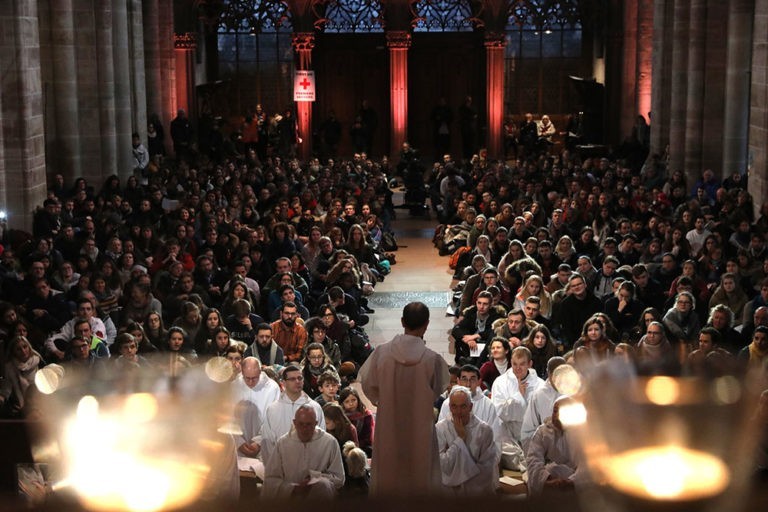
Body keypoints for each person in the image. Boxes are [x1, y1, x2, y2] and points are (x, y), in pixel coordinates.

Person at [359, 301, 450, 496]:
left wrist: (384, 399)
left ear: (402, 321)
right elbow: (437, 389)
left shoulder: (381, 353)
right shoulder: (432, 359)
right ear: (427, 324)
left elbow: (368, 385)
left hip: (389, 426)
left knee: (389, 478)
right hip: (420, 428)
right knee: (421, 478)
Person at [262, 405, 345, 499]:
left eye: (309, 424)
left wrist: (314, 477)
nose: (304, 429)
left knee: (323, 484)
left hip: (319, 500)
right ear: (294, 423)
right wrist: (292, 489)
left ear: (316, 423)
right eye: (301, 424)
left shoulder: (329, 442)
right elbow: (270, 480)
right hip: (290, 500)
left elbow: (339, 479)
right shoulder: (283, 443)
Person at [435, 386, 499, 495]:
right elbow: (442, 465)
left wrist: (460, 483)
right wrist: (460, 439)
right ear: (450, 407)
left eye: (463, 406)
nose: (458, 412)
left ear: (470, 407)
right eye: (454, 406)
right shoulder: (440, 429)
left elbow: (486, 469)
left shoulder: (484, 430)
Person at [261, 364, 326, 464]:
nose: (297, 381)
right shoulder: (273, 409)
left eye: (300, 378)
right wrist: (274, 467)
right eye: (292, 379)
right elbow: (267, 442)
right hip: (279, 465)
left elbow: (321, 440)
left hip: (308, 465)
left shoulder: (315, 407)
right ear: (283, 382)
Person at [491, 346, 544, 468]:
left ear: (530, 364)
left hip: (532, 434)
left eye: (522, 364)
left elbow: (541, 415)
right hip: (508, 433)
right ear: (510, 362)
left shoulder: (540, 385)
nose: (518, 368)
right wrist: (518, 396)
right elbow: (498, 412)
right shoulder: (500, 382)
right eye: (515, 364)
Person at [525, 396, 580, 495]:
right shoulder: (542, 432)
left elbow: (587, 465)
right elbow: (533, 459)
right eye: (555, 411)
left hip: (573, 482)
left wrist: (572, 481)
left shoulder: (581, 433)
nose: (557, 415)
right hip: (548, 480)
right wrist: (547, 480)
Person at [231, 357, 280, 458]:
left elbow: (273, 420)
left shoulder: (272, 388)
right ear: (242, 372)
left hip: (264, 446)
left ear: (260, 371)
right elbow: (228, 418)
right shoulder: (233, 387)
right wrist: (239, 442)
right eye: (247, 378)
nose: (250, 382)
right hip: (238, 447)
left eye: (254, 378)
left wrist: (258, 442)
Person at [520, 357, 567, 451]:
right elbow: (528, 431)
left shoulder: (574, 392)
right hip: (546, 451)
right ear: (548, 373)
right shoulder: (538, 395)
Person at [339, 387, 375, 458]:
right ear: (342, 404)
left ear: (358, 400)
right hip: (345, 449)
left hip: (364, 449)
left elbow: (368, 438)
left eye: (353, 400)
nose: (351, 403)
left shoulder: (366, 415)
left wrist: (356, 447)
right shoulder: (341, 417)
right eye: (347, 401)